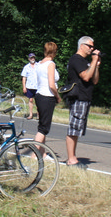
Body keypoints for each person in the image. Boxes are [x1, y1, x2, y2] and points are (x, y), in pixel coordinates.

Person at [65, 36, 101, 166]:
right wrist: (94, 60)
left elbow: (94, 80)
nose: (92, 49)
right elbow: (85, 77)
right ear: (81, 45)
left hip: (85, 97)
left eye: (93, 47)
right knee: (74, 128)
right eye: (89, 46)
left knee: (78, 129)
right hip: (78, 97)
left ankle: (73, 157)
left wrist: (96, 65)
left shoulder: (86, 61)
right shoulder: (76, 59)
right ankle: (71, 159)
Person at [33, 42, 62, 144]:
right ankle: (35, 150)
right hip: (47, 96)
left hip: (39, 94)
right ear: (54, 51)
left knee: (42, 124)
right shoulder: (51, 64)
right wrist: (58, 96)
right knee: (44, 128)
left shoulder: (39, 64)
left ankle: (42, 151)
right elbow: (51, 85)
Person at [21, 53, 39, 120]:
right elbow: (24, 77)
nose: (32, 59)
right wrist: (24, 87)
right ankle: (31, 114)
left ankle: (38, 115)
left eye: (33, 57)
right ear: (29, 59)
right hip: (29, 86)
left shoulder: (38, 66)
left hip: (37, 86)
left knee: (38, 101)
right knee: (31, 100)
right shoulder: (26, 67)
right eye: (31, 58)